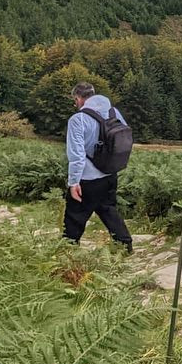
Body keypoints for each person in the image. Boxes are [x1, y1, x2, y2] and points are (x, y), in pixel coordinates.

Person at [63, 82, 133, 253]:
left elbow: (77, 155)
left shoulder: (77, 120)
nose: (75, 104)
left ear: (78, 98)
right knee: (108, 210)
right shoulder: (113, 112)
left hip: (87, 178)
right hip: (109, 173)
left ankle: (67, 251)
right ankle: (125, 245)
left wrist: (74, 182)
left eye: (75, 100)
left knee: (74, 216)